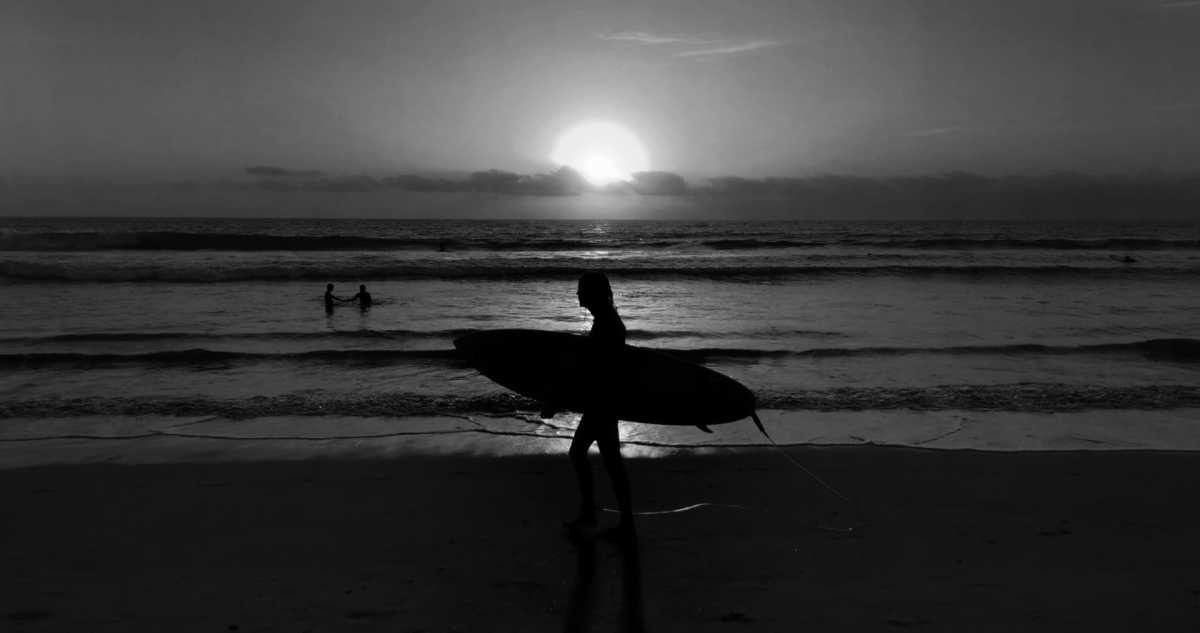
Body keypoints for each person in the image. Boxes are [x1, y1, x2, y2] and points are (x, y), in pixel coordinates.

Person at [561, 271, 634, 542]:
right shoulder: (606, 320)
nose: (578, 294)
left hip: (601, 403)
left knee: (580, 453)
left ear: (593, 293)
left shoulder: (607, 324)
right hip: (606, 402)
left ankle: (591, 514)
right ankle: (620, 521)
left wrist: (559, 398)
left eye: (581, 290)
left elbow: (598, 369)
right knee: (610, 462)